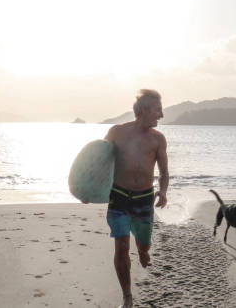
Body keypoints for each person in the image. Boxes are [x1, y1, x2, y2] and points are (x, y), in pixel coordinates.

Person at [104, 89, 169, 308]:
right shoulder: (116, 132)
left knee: (143, 245)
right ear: (143, 110)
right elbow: (99, 162)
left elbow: (164, 172)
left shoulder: (158, 139)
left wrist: (163, 190)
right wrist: (89, 190)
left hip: (144, 200)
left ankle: (143, 252)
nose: (161, 115)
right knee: (121, 246)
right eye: (158, 110)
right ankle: (127, 296)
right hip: (119, 197)